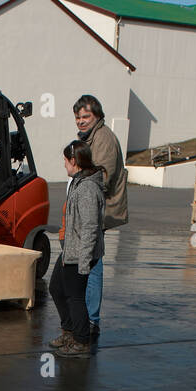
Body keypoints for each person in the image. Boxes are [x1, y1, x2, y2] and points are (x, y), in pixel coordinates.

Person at [72, 94, 128, 338]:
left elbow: (102, 177)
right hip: (91, 206)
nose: (81, 121)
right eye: (78, 117)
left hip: (97, 208)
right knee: (89, 261)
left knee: (92, 264)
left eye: (86, 117)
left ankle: (91, 321)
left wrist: (83, 193)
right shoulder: (91, 137)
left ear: (97, 116)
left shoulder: (103, 138)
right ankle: (87, 318)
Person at [48, 140, 105, 359]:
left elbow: (90, 227)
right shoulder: (77, 182)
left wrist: (84, 262)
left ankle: (81, 341)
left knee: (75, 296)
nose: (64, 165)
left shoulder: (88, 188)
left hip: (80, 252)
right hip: (70, 249)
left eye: (65, 160)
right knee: (57, 288)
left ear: (74, 161)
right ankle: (69, 331)